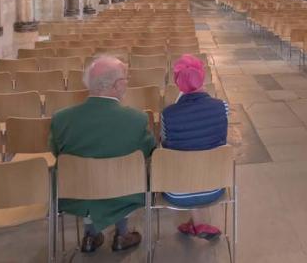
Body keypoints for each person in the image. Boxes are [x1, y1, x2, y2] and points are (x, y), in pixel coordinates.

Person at [50, 56, 156, 253]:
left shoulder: (61, 119)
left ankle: (90, 236)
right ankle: (121, 234)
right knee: (129, 172)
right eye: (125, 78)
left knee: (86, 177)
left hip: (76, 192)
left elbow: (56, 152)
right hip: (124, 190)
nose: (127, 83)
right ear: (116, 85)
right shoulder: (136, 119)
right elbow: (150, 151)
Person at [160, 55, 229, 240]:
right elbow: (220, 138)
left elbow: (165, 146)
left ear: (177, 82)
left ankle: (197, 223)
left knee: (178, 158)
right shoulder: (222, 107)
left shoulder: (168, 114)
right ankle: (197, 223)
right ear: (202, 77)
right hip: (215, 186)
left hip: (177, 192)